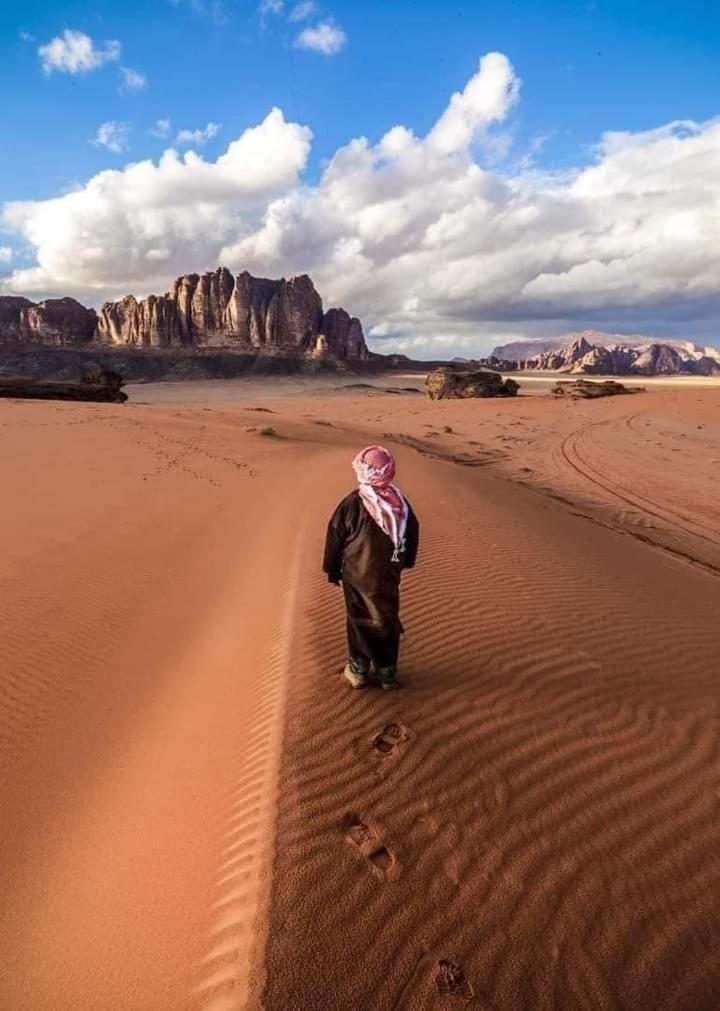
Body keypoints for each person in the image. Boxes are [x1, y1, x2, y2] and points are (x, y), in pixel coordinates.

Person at [323, 445, 419, 690]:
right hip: (387, 574)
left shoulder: (353, 503)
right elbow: (411, 535)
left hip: (356, 575)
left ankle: (359, 670)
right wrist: (404, 563)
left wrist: (332, 569)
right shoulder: (400, 505)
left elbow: (335, 537)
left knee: (359, 618)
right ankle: (387, 672)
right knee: (385, 617)